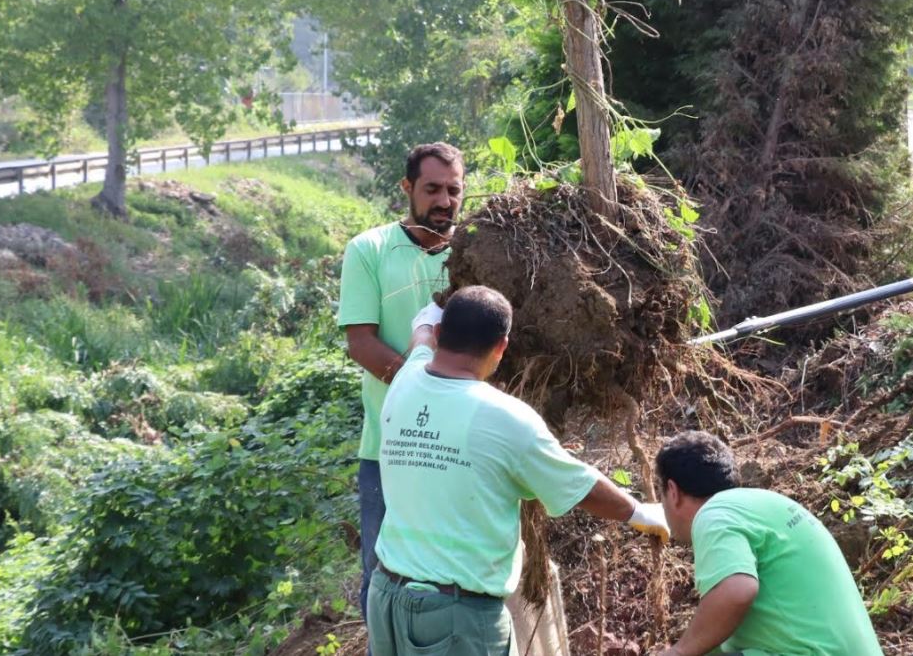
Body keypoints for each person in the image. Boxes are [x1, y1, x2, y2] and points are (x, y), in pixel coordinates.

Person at [368, 286, 670, 655]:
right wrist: (639, 513)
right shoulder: (506, 418)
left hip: (386, 598)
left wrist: (434, 308)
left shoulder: (406, 380)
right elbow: (582, 485)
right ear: (501, 347)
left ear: (444, 335)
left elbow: (421, 334)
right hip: (454, 618)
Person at [337, 142, 463, 630]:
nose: (444, 201)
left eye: (454, 190)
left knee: (453, 578)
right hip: (387, 449)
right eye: (432, 189)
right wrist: (425, 386)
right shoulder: (369, 250)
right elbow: (361, 344)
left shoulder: (475, 251)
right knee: (382, 575)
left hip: (462, 447)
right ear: (407, 188)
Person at [654, 431, 881, 656]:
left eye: (660, 495)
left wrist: (679, 652)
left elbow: (737, 591)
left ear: (673, 492)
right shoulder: (758, 506)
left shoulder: (713, 514)